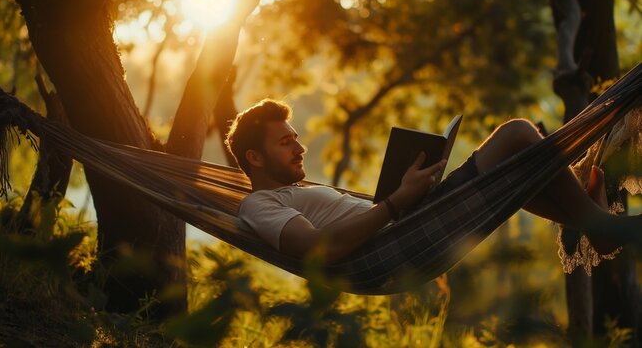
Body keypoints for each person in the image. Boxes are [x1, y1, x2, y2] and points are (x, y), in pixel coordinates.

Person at [225, 99, 640, 264]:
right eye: (285, 143)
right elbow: (314, 250)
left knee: (512, 166)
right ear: (254, 158)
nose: (299, 149)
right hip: (399, 238)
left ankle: (590, 221)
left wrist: (406, 192)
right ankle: (598, 224)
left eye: (297, 139)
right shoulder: (258, 205)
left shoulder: (293, 193)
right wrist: (395, 202)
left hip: (408, 219)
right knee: (516, 134)